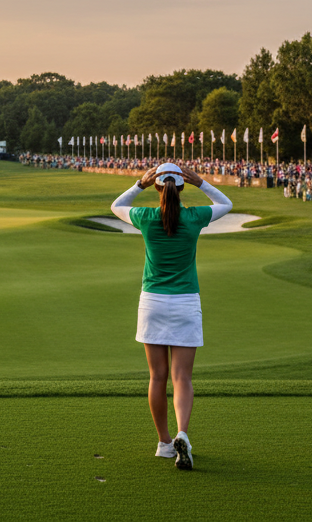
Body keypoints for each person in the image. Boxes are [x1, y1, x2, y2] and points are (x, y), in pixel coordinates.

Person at [110, 162, 233, 471]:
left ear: (157, 187)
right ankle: (183, 436)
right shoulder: (193, 218)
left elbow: (116, 206)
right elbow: (226, 204)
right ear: (181, 186)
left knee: (157, 377)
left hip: (152, 302)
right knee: (182, 378)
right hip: (185, 303)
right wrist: (201, 182)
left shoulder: (146, 217)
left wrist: (139, 183)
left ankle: (165, 443)